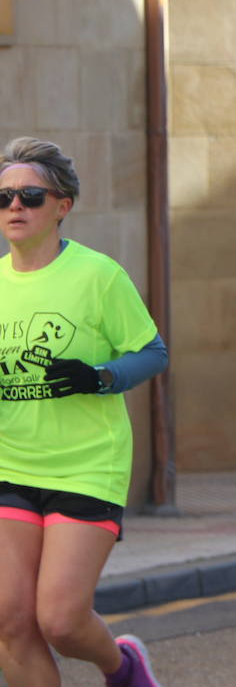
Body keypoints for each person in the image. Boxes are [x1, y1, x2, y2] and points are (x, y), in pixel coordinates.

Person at [0, 137, 169, 687]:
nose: (15, 208)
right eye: (3, 198)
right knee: (8, 617)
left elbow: (152, 354)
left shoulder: (99, 276)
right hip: (10, 464)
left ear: (62, 205)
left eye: (29, 195)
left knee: (61, 619)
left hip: (87, 464)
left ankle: (121, 668)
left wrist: (99, 377)